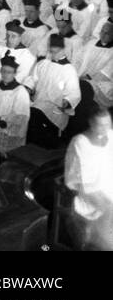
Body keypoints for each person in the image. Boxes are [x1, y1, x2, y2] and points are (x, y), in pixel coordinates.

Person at [64, 107, 113, 250]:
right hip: (88, 192)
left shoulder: (111, 135)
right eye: (101, 125)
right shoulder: (80, 142)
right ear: (91, 124)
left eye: (108, 124)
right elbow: (86, 183)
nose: (105, 129)